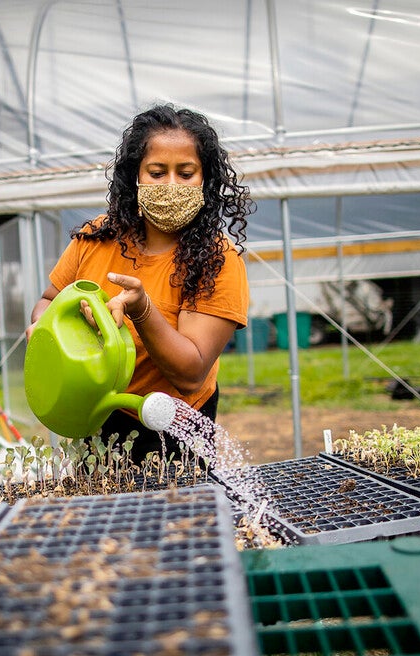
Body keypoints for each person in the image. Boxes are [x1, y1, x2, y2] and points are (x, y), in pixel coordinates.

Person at [28, 104, 252, 464]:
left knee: (175, 516)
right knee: (105, 512)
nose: (171, 186)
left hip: (171, 425)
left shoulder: (216, 260)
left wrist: (143, 310)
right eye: (157, 172)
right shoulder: (97, 237)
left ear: (205, 180)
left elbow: (192, 373)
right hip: (95, 413)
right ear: (136, 176)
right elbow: (48, 299)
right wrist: (43, 327)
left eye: (186, 173)